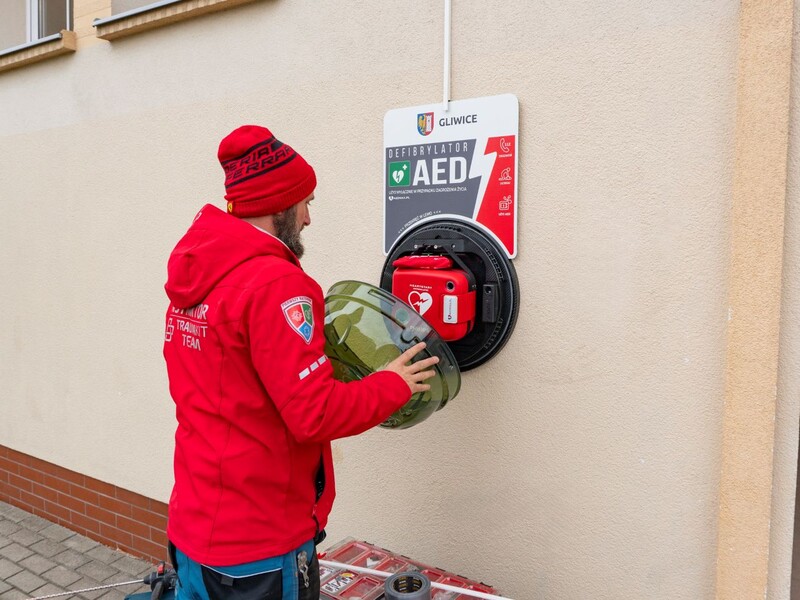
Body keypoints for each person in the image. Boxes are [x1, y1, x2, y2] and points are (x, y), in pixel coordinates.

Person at [162, 125, 439, 600]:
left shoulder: (197, 276)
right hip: (259, 548)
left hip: (194, 529)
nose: (308, 217)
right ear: (278, 205)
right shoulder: (277, 284)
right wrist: (393, 383)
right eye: (305, 203)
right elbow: (316, 413)